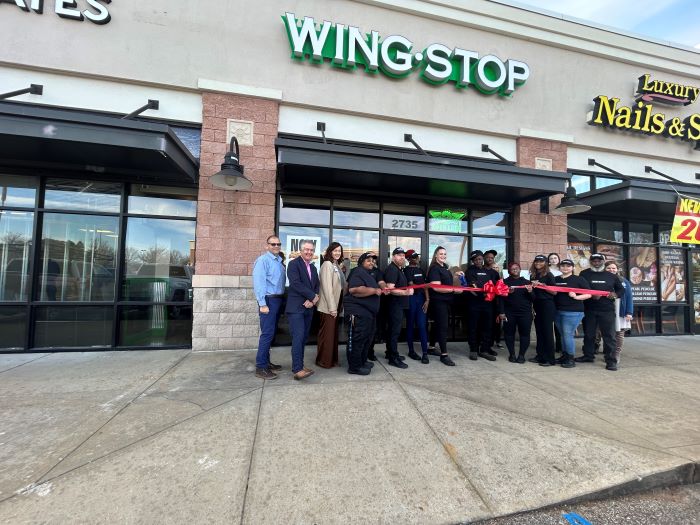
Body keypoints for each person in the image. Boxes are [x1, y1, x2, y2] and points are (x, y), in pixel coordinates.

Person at [577, 253, 625, 371]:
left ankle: (611, 361)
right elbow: (579, 289)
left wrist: (615, 294)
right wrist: (590, 294)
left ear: (603, 262)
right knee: (589, 334)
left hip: (607, 310)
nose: (596, 263)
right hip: (589, 309)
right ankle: (588, 355)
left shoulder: (611, 276)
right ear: (591, 262)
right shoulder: (584, 274)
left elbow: (621, 290)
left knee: (609, 336)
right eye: (594, 261)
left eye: (599, 261)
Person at [252, 235, 286, 380]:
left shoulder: (279, 261)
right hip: (268, 300)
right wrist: (262, 304)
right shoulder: (263, 260)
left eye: (278, 244)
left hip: (278, 300)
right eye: (273, 244)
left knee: (271, 334)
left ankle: (266, 362)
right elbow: (259, 283)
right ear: (267, 246)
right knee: (267, 334)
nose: (276, 246)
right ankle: (261, 367)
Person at [285, 239, 320, 380]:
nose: (309, 252)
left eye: (311, 250)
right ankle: (297, 369)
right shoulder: (293, 264)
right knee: (298, 337)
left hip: (308, 308)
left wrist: (313, 299)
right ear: (301, 250)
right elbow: (295, 284)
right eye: (306, 249)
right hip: (296, 308)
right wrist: (312, 296)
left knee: (304, 338)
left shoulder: (313, 268)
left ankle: (300, 364)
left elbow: (317, 285)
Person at [344, 252, 383, 375]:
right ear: (361, 262)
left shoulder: (367, 274)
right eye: (368, 260)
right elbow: (354, 290)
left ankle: (362, 361)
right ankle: (354, 367)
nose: (372, 262)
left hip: (368, 313)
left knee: (367, 339)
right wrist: (374, 290)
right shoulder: (357, 272)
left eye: (373, 260)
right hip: (358, 313)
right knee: (358, 340)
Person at [554, 259, 591, 368]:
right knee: (563, 335)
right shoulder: (556, 279)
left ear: (573, 268)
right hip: (557, 311)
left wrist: (576, 296)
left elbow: (589, 294)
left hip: (573, 312)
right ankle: (564, 355)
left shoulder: (579, 279)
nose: (565, 268)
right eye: (563, 266)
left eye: (568, 266)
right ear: (559, 267)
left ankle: (570, 358)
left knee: (567, 335)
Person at [426, 246, 460, 366]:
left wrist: (456, 276)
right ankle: (444, 355)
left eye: (445, 254)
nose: (443, 256)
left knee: (437, 325)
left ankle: (431, 347)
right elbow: (436, 287)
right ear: (435, 255)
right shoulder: (434, 268)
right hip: (438, 302)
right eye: (441, 254)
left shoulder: (444, 267)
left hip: (446, 301)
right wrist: (453, 290)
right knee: (443, 327)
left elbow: (447, 282)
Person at [465, 250, 499, 361]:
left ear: (483, 259)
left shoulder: (489, 271)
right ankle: (473, 349)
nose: (478, 261)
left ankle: (484, 350)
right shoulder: (470, 271)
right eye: (475, 260)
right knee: (473, 327)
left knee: (487, 327)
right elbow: (473, 288)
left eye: (479, 259)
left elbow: (496, 285)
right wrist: (485, 291)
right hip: (474, 304)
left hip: (488, 304)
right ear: (473, 261)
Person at [316, 242, 346, 369]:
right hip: (328, 306)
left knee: (333, 335)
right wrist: (332, 308)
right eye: (335, 250)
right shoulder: (327, 264)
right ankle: (324, 361)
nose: (337, 253)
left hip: (336, 304)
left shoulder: (336, 265)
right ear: (330, 251)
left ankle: (332, 359)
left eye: (339, 250)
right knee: (327, 335)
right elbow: (327, 288)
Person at [383, 247, 414, 369]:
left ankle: (389, 353)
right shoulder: (392, 269)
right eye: (399, 255)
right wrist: (406, 292)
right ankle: (393, 358)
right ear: (393, 257)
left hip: (398, 305)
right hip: (394, 306)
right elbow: (390, 289)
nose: (402, 257)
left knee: (393, 331)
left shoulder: (398, 269)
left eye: (403, 255)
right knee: (394, 332)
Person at [499, 262, 533, 363]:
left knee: (525, 334)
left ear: (520, 269)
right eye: (512, 268)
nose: (515, 270)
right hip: (509, 313)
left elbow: (533, 298)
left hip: (525, 313)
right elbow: (500, 299)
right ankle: (512, 354)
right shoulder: (504, 282)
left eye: (516, 268)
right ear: (509, 271)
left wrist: (530, 291)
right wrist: (501, 312)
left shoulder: (527, 282)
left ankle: (521, 355)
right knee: (509, 334)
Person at [529, 255, 557, 365]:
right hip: (537, 305)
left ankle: (550, 359)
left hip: (547, 305)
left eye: (541, 261)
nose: (538, 263)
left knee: (547, 332)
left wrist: (542, 285)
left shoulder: (549, 275)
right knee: (539, 331)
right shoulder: (533, 275)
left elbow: (554, 292)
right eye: (536, 261)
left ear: (545, 263)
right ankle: (540, 355)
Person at [605, 261, 633, 365]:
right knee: (608, 333)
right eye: (609, 268)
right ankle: (608, 353)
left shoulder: (624, 281)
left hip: (620, 310)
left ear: (617, 269)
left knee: (619, 334)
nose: (611, 270)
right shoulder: (603, 280)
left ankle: (616, 354)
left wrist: (629, 312)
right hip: (606, 310)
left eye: (613, 268)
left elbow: (629, 297)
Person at [404, 249, 429, 362]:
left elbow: (425, 285)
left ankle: (425, 353)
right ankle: (411, 351)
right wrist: (422, 287)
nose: (417, 258)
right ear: (409, 259)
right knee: (410, 324)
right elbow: (411, 284)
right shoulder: (406, 270)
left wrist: (427, 299)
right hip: (411, 299)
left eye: (417, 256)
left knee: (422, 325)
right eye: (414, 257)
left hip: (421, 299)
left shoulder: (421, 270)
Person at [484, 249, 504, 350]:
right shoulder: (481, 271)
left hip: (493, 303)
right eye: (488, 257)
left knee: (492, 325)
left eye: (492, 258)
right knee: (484, 325)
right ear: (484, 258)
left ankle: (489, 346)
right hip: (482, 303)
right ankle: (482, 346)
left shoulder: (495, 274)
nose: (490, 259)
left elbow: (499, 288)